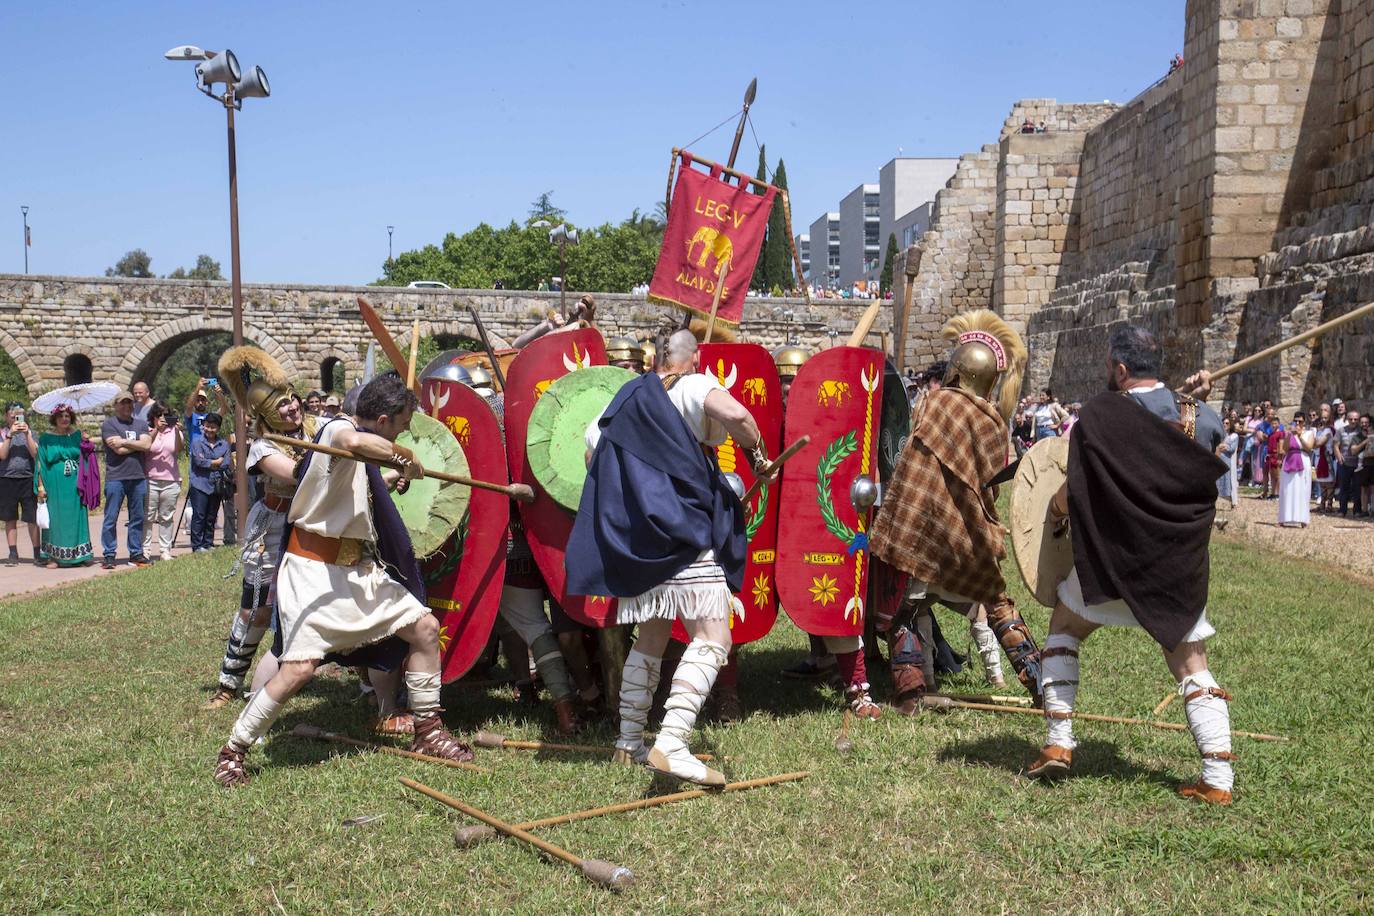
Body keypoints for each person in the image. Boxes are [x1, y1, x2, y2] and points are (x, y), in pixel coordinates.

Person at [214, 373, 474, 786]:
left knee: (424, 628)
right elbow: (354, 445)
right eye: (403, 424)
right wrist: (401, 455)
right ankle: (234, 749)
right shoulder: (338, 428)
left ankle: (427, 732)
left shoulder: (347, 441)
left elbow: (350, 486)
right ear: (385, 420)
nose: (405, 430)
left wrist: (388, 477)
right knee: (299, 671)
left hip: (358, 572)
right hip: (313, 571)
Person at [1027, 325, 1236, 806]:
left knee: (1064, 628)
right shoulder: (1200, 417)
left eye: (1108, 367)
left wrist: (1053, 512)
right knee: (1191, 663)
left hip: (1109, 563)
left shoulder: (1097, 417)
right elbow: (1189, 440)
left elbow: (1075, 492)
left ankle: (1059, 741)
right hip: (1172, 569)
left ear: (1119, 369)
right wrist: (1192, 401)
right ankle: (1217, 779)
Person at [569, 329, 764, 786]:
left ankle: (628, 741)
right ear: (692, 358)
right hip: (685, 530)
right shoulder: (695, 384)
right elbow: (737, 415)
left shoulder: (626, 395)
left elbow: (589, 452)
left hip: (640, 539)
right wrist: (757, 454)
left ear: (656, 358)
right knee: (714, 637)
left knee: (652, 634)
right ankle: (673, 741)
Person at [870, 311, 1044, 710]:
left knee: (906, 610)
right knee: (998, 604)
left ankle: (911, 695)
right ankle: (1040, 684)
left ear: (958, 370)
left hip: (918, 523)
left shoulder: (934, 403)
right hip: (966, 531)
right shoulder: (994, 422)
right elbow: (990, 485)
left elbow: (909, 453)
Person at [203, 348, 317, 711]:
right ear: (267, 415)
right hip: (272, 529)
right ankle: (229, 682)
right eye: (281, 406)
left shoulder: (319, 429)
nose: (291, 408)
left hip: (313, 526)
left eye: (291, 400)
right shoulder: (263, 447)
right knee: (256, 611)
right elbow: (300, 476)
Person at [36, 404, 95, 568]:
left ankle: (80, 554)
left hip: (75, 482)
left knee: (77, 515)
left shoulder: (77, 435)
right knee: (55, 517)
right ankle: (53, 557)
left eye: (67, 416)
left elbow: (88, 455)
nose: (64, 419)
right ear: (55, 418)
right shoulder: (46, 438)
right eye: (61, 416)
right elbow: (40, 463)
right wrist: (41, 486)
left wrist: (86, 442)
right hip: (54, 482)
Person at [100, 391, 152, 569]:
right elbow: (118, 450)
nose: (126, 406)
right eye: (122, 403)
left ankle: (135, 553)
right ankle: (109, 554)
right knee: (111, 517)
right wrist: (136, 444)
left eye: (129, 403)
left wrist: (124, 441)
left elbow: (147, 445)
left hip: (138, 477)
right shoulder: (109, 424)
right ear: (116, 406)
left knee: (137, 517)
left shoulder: (141, 423)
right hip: (116, 477)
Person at [1, 403, 40, 566]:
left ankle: (38, 554)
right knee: (10, 518)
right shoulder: (3, 434)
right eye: (12, 414)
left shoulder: (32, 433)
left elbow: (35, 453)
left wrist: (27, 435)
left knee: (32, 518)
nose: (15, 417)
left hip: (28, 478)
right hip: (6, 479)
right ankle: (13, 553)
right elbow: (2, 455)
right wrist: (10, 435)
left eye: (19, 414)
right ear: (6, 416)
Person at [143, 403, 183, 561]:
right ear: (153, 417)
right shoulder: (147, 431)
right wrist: (156, 431)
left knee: (166, 517)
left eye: (165, 415)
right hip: (150, 479)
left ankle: (165, 551)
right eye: (159, 415)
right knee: (148, 517)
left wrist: (178, 431)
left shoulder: (173, 431)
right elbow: (146, 448)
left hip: (171, 479)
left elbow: (178, 449)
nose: (162, 418)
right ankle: (145, 550)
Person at [188, 412, 230, 552]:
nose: (209, 430)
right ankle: (197, 545)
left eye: (213, 427)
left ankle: (208, 543)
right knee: (199, 515)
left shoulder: (223, 444)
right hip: (199, 484)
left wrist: (211, 463)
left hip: (216, 484)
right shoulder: (197, 442)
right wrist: (215, 462)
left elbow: (226, 463)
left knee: (212, 515)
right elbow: (199, 462)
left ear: (218, 428)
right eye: (207, 426)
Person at [1277, 413, 1312, 527]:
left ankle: (1302, 519)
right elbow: (1285, 449)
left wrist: (1300, 436)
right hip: (1289, 461)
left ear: (1304, 422)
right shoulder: (1289, 433)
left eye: (1300, 421)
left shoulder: (1309, 433)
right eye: (1295, 421)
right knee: (1287, 489)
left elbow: (1309, 448)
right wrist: (1290, 435)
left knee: (1302, 489)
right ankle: (1283, 518)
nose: (1297, 423)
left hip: (1303, 460)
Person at [1335, 410, 1362, 517]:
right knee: (1343, 488)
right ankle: (1342, 510)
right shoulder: (1341, 430)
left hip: (1357, 465)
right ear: (1347, 420)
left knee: (1357, 489)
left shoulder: (1361, 431)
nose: (1353, 421)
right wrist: (1339, 457)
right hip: (1344, 464)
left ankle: (1357, 511)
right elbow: (1336, 444)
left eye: (1355, 419)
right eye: (1351, 419)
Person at [1314, 403, 1336, 512]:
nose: (1323, 419)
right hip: (1319, 457)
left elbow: (1319, 443)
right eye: (1322, 417)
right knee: (1322, 482)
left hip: (1327, 458)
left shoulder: (1329, 430)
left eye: (1325, 417)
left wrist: (1310, 442)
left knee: (1329, 482)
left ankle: (1330, 505)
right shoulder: (1320, 429)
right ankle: (1322, 504)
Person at [1216, 417, 1239, 509]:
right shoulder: (1220, 434)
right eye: (1224, 423)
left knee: (1230, 481)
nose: (1225, 425)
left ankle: (1233, 502)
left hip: (1229, 461)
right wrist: (1223, 446)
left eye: (1227, 423)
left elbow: (1231, 448)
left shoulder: (1234, 436)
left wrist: (1223, 446)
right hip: (1219, 460)